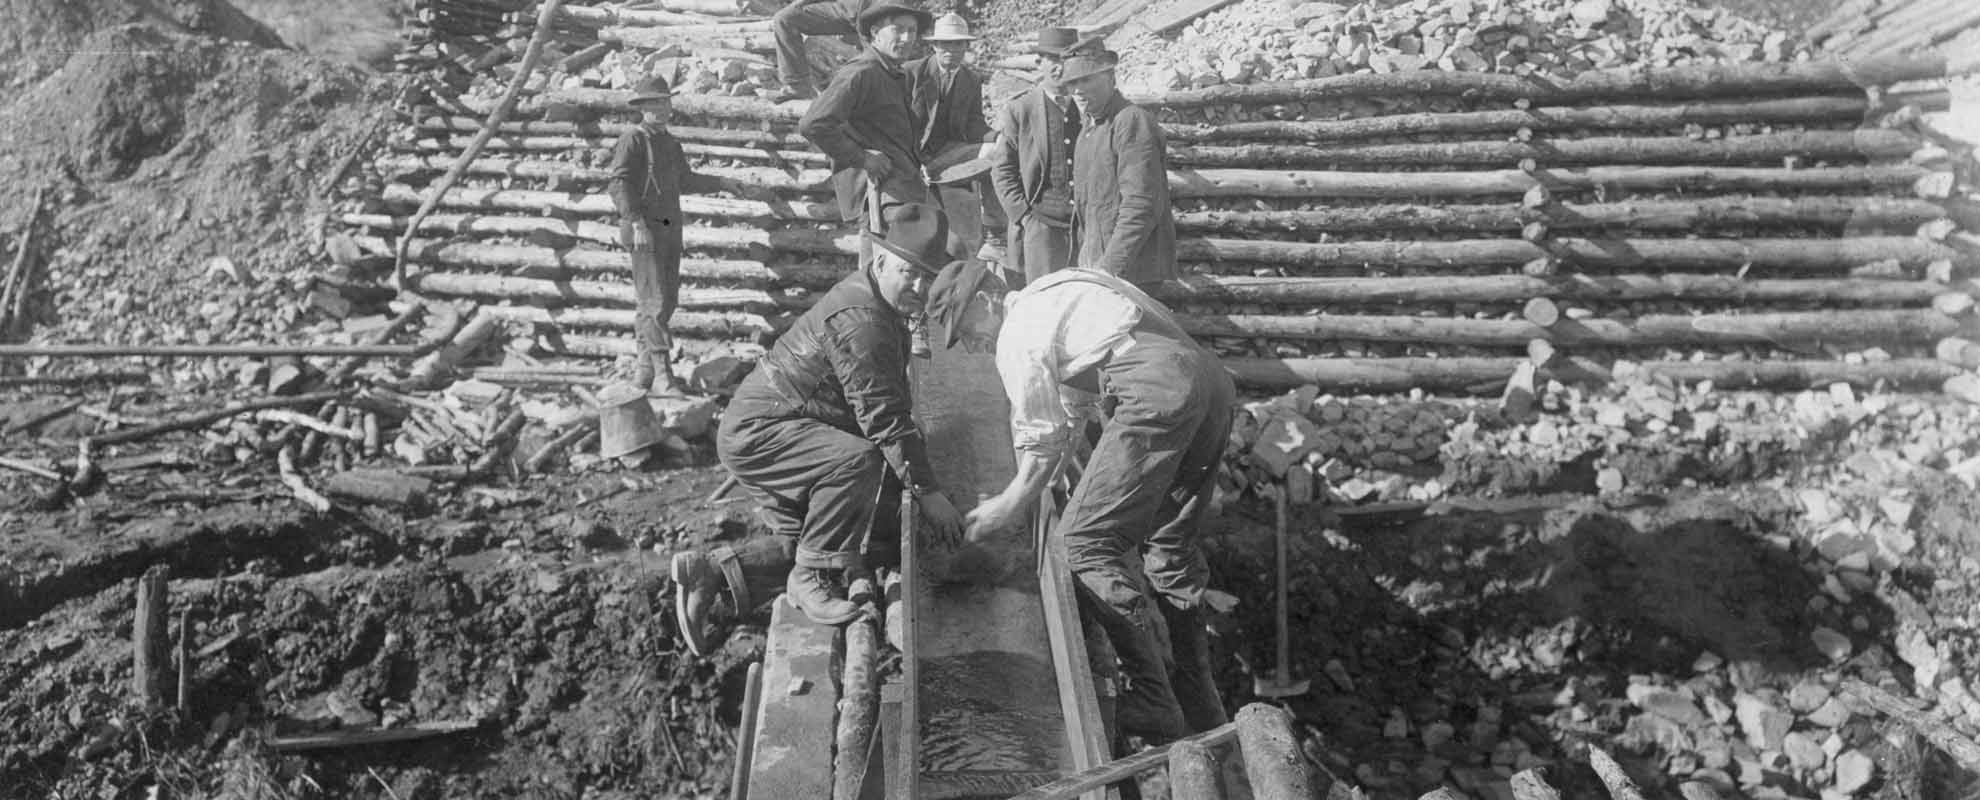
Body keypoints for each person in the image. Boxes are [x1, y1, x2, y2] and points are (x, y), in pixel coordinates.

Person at [942, 262, 1232, 743]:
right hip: (1207, 378)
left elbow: (1039, 436)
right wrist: (1051, 484)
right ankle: (1200, 700)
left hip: (1156, 387)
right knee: (1170, 547)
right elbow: (1073, 414)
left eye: (965, 328)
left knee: (1081, 544)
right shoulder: (1065, 288)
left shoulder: (1018, 330)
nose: (973, 344)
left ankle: (1154, 701)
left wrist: (1007, 505)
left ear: (986, 299)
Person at [671, 204, 967, 652]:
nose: (920, 288)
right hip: (766, 432)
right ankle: (808, 580)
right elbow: (882, 417)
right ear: (882, 260)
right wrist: (928, 490)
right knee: (856, 466)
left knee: (845, 536)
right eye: (911, 273)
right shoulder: (863, 320)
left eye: (929, 277)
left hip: (788, 424)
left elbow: (884, 403)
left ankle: (711, 573)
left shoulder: (878, 303)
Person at [608, 76, 754, 396]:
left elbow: (684, 181)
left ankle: (644, 371)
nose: (659, 109)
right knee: (654, 301)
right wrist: (636, 223)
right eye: (652, 104)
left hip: (669, 229)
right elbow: (618, 184)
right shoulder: (633, 139)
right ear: (641, 108)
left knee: (665, 301)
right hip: (644, 230)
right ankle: (663, 376)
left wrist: (722, 183)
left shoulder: (670, 143)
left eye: (663, 102)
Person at [799, 1, 934, 226]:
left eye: (911, 31)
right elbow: (813, 125)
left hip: (903, 186)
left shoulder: (895, 73)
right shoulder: (860, 73)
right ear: (875, 32)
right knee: (903, 254)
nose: (907, 38)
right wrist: (863, 158)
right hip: (880, 195)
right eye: (898, 29)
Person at [1061, 47, 1179, 287]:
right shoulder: (1090, 127)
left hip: (1130, 270)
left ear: (1110, 78)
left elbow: (1141, 204)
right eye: (1072, 82)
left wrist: (1109, 269)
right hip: (1097, 266)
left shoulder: (1130, 121)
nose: (1078, 90)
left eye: (1087, 79)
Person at [989, 26, 1084, 287]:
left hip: (1083, 227)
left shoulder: (1087, 108)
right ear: (1040, 62)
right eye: (1054, 60)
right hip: (1041, 229)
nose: (1060, 68)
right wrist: (1024, 216)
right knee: (1042, 301)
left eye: (1067, 60)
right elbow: (1002, 170)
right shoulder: (1021, 110)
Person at [904, 13, 1003, 263]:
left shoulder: (970, 80)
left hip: (950, 152)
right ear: (934, 45)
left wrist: (997, 137)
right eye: (944, 44)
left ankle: (995, 235)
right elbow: (897, 122)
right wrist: (916, 159)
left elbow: (973, 123)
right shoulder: (911, 73)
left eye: (957, 43)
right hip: (911, 152)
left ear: (966, 46)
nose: (950, 50)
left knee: (999, 153)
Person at [768, 0, 872, 103]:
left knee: (876, 60)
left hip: (879, 9)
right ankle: (798, 86)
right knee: (785, 19)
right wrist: (800, 3)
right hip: (847, 7)